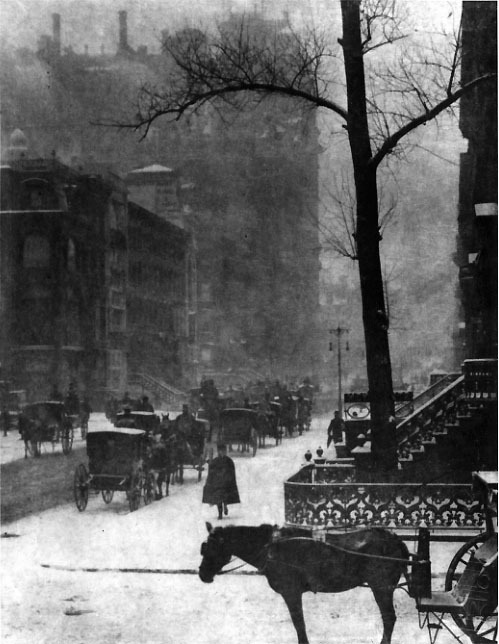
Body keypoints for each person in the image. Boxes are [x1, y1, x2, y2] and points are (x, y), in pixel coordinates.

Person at [202, 443, 240, 520]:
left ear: (225, 451)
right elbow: (211, 472)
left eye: (224, 451)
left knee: (225, 497)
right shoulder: (215, 461)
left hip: (226, 483)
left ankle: (225, 506)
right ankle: (220, 513)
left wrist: (229, 480)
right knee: (218, 499)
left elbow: (232, 473)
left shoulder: (229, 461)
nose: (222, 453)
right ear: (219, 452)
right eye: (221, 451)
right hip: (218, 484)